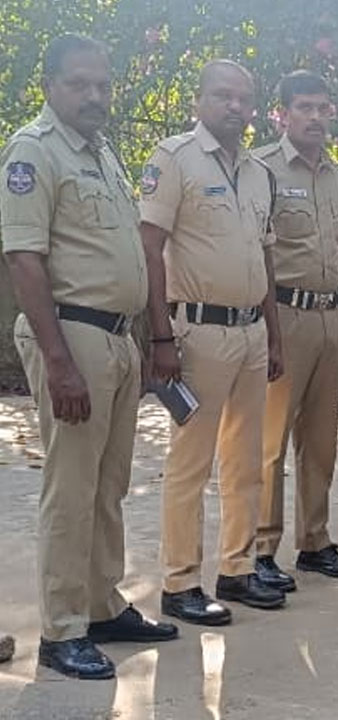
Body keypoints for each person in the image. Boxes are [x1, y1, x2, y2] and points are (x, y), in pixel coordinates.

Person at [2, 34, 178, 680]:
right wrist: (59, 361)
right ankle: (62, 628)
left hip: (116, 340)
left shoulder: (103, 153)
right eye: (80, 84)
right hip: (71, 336)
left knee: (108, 486)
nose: (95, 96)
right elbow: (24, 258)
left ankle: (103, 604)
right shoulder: (32, 152)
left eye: (102, 85)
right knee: (70, 491)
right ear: (49, 84)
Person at [140, 59, 286, 624]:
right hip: (195, 332)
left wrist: (273, 335)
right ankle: (179, 583)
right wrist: (160, 336)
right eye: (223, 96)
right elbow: (150, 248)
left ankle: (237, 569)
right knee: (191, 464)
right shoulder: (174, 159)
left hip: (251, 332)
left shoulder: (257, 172)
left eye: (244, 99)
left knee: (246, 460)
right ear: (199, 100)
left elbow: (265, 259)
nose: (235, 107)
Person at [251, 70, 338, 587]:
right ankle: (261, 549)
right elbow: (257, 253)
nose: (315, 117)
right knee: (269, 440)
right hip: (285, 317)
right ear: (284, 114)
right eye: (304, 107)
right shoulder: (262, 170)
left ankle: (315, 542)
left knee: (320, 442)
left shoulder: (337, 175)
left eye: (323, 108)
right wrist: (268, 331)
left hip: (330, 318)